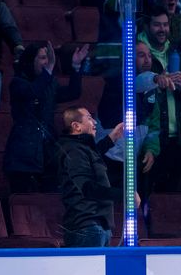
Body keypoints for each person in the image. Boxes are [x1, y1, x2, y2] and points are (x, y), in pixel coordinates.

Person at [3, 41, 89, 193]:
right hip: (23, 154)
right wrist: (48, 71)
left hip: (47, 152)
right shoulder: (18, 83)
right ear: (31, 61)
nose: (47, 63)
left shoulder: (50, 83)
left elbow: (73, 93)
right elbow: (31, 93)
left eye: (48, 59)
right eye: (43, 58)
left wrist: (75, 67)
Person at [57, 106, 137, 248]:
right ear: (76, 126)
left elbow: (91, 158)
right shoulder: (74, 150)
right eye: (89, 118)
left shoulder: (80, 149)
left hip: (96, 225)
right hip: (88, 226)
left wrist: (112, 138)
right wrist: (125, 195)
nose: (94, 122)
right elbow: (88, 188)